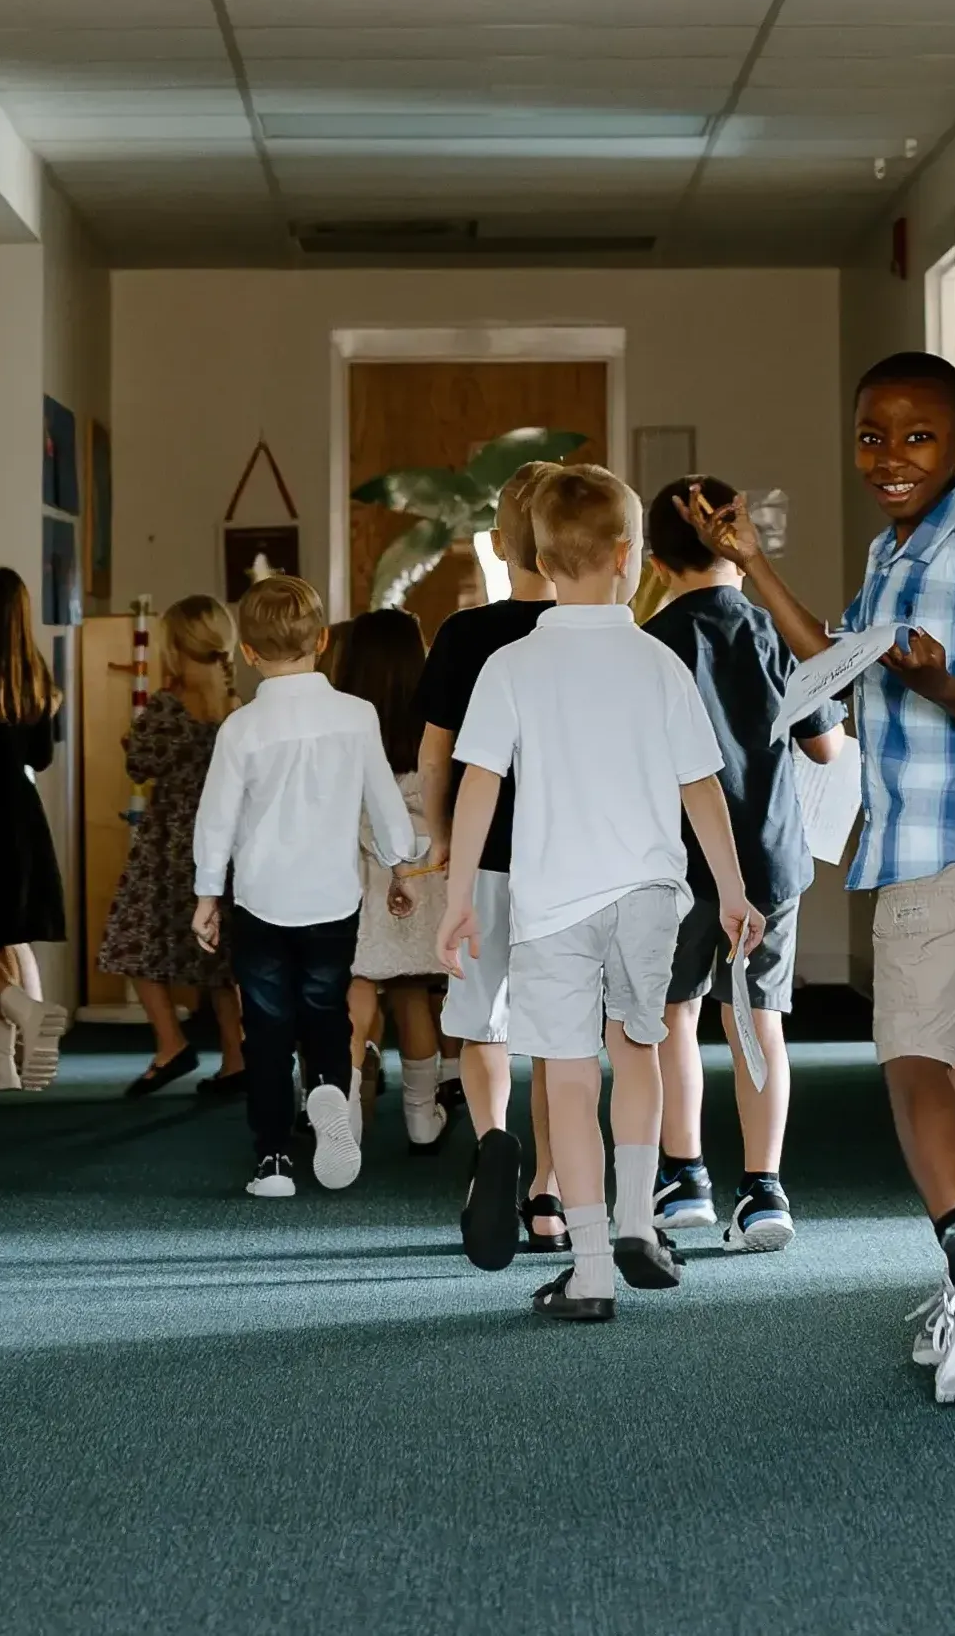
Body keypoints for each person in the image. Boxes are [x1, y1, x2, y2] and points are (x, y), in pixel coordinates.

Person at [679, 352, 955, 1403]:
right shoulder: (898, 551)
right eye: (872, 437)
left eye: (918, 436)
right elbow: (832, 662)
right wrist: (753, 563)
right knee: (953, 1059)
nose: (891, 457)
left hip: (952, 832)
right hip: (929, 835)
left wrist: (935, 678)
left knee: (911, 1062)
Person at [437, 464, 763, 1323]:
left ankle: (588, 1269)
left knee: (569, 1078)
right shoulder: (657, 658)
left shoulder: (511, 664)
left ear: (539, 556)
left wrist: (459, 894)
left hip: (553, 904)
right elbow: (702, 786)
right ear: (628, 557)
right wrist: (730, 889)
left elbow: (477, 783)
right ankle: (633, 1219)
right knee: (640, 1051)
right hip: (651, 895)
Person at [642, 475, 846, 1252]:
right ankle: (763, 1191)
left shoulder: (652, 643)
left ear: (656, 564)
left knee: (674, 1016)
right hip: (767, 856)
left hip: (677, 859)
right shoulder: (770, 634)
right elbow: (824, 745)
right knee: (758, 1021)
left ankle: (683, 1174)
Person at [192, 575, 426, 1198]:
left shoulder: (240, 728)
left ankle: (272, 1160)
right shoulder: (357, 716)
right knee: (327, 1012)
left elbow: (215, 819)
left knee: (265, 1030)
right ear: (322, 640)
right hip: (333, 898)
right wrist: (400, 866)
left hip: (263, 900)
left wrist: (207, 894)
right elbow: (383, 804)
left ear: (246, 652)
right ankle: (330, 1094)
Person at [417, 461, 563, 1270]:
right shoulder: (597, 638)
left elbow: (436, 755)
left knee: (483, 1019)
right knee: (557, 1031)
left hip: (488, 858)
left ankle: (493, 1145)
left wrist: (442, 838)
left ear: (501, 545)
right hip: (573, 862)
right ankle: (546, 1191)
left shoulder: (467, 635)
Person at [97, 595, 247, 1099]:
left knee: (131, 940)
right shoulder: (237, 709)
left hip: (168, 846)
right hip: (223, 847)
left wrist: (128, 738)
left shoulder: (168, 706)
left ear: (177, 649)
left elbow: (139, 762)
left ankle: (170, 1043)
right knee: (219, 961)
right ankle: (236, 1058)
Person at [336, 608, 451, 1153]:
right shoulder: (432, 722)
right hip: (421, 874)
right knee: (412, 997)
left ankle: (350, 1116)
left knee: (356, 992)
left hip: (357, 872)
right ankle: (421, 1118)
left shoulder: (343, 721)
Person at [0, 566, 70, 1093]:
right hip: (22, 820)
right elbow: (40, 757)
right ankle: (0, 1058)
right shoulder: (34, 681)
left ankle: (23, 1012)